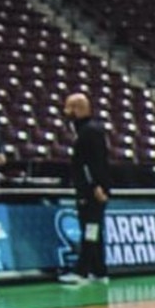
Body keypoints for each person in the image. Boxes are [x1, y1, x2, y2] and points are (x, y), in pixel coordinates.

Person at [57, 93, 112, 286]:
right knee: (92, 229)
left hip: (92, 191)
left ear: (78, 109)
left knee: (90, 229)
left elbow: (94, 162)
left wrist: (97, 185)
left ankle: (82, 271)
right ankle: (99, 270)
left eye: (68, 107)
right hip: (88, 189)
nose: (65, 112)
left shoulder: (90, 131)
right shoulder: (84, 130)